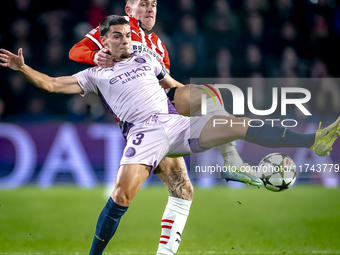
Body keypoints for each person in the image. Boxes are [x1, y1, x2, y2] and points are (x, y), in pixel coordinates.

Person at [1, 15, 339, 255]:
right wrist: (23, 68)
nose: (124, 39)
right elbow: (52, 84)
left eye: (126, 34)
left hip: (173, 122)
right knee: (121, 196)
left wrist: (207, 104)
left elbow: (175, 87)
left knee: (239, 123)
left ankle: (313, 141)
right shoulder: (95, 74)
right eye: (116, 36)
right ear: (104, 41)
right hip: (144, 134)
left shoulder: (147, 59)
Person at [69, 0, 261, 188]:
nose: (150, 9)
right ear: (129, 9)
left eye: (153, 5)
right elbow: (75, 51)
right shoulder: (118, 29)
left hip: (162, 117)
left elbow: (166, 88)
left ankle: (232, 160)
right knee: (128, 196)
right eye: (143, 4)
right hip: (137, 122)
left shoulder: (159, 47)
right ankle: (232, 160)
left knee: (183, 192)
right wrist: (93, 56)